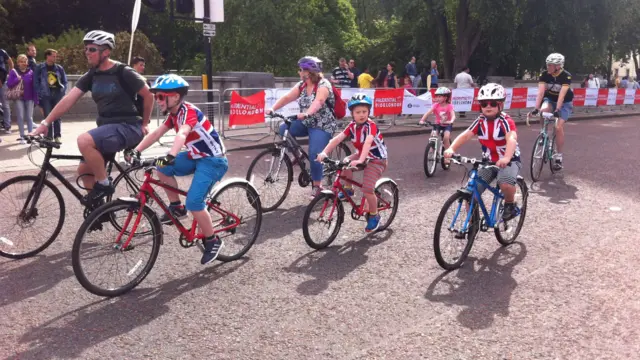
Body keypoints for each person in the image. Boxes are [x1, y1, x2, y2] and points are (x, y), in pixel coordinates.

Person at [30, 30, 153, 205]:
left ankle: (104, 183)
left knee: (84, 141)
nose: (87, 52)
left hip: (128, 126)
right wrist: (45, 123)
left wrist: (145, 123)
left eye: (92, 49)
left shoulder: (122, 71)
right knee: (84, 170)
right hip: (107, 129)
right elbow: (68, 99)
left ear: (106, 52)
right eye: (86, 49)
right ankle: (98, 211)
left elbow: (149, 95)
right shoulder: (92, 75)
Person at [130, 74, 228, 265]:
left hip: (212, 160)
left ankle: (213, 240)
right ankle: (176, 207)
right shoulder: (173, 114)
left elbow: (182, 133)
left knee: (194, 202)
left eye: (160, 97)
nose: (157, 101)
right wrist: (136, 151)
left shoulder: (188, 112)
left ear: (175, 97)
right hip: (194, 155)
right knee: (162, 169)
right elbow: (157, 133)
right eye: (156, 96)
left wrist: (171, 155)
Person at [444, 83, 521, 223]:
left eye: (492, 103)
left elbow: (512, 138)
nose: (488, 107)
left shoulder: (505, 121)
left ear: (500, 105)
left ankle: (510, 205)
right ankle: (472, 224)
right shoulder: (480, 121)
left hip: (509, 161)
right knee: (471, 190)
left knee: (505, 184)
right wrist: (451, 149)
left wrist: (507, 157)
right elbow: (466, 135)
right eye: (484, 104)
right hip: (489, 162)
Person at [267, 56, 338, 199]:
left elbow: (319, 101)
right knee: (283, 129)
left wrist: (307, 113)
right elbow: (287, 97)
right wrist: (272, 109)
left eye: (301, 70)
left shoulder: (324, 85)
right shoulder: (302, 85)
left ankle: (317, 186)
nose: (299, 72)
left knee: (315, 154)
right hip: (306, 122)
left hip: (322, 125)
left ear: (308, 71)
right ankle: (297, 155)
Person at [317, 93, 388, 233]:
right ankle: (348, 188)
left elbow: (368, 142)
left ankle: (374, 215)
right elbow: (336, 140)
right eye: (358, 112)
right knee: (344, 162)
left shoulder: (370, 126)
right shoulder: (351, 126)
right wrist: (324, 152)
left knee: (367, 189)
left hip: (376, 159)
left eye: (364, 112)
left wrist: (360, 160)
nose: (362, 115)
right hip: (362, 155)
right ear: (352, 114)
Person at [529, 53, 573, 170]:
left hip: (564, 103)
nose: (548, 67)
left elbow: (562, 95)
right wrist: (536, 108)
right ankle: (543, 133)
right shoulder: (544, 74)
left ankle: (559, 157)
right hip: (549, 99)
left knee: (558, 127)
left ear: (558, 66)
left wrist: (557, 110)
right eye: (547, 65)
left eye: (550, 65)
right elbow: (541, 93)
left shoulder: (566, 76)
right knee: (543, 111)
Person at [34, 49, 67, 143]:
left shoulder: (59, 68)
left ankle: (57, 136)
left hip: (57, 94)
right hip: (46, 95)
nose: (55, 58)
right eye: (53, 56)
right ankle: (48, 136)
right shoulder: (40, 67)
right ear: (47, 56)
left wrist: (62, 91)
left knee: (57, 115)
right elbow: (36, 82)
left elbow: (65, 81)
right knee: (47, 116)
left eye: (56, 56)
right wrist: (40, 93)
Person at [6, 54, 37, 143]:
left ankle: (30, 136)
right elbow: (9, 84)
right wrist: (17, 79)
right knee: (20, 116)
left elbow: (34, 86)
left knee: (29, 117)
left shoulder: (31, 72)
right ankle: (22, 136)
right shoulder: (13, 71)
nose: (23, 63)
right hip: (19, 97)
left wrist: (36, 98)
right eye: (21, 62)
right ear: (18, 63)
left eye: (25, 61)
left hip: (29, 97)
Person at [419, 87, 455, 152]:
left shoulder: (449, 106)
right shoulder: (435, 105)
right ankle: (431, 150)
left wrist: (451, 121)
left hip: (447, 125)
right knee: (432, 136)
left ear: (445, 98)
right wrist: (422, 120)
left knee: (446, 138)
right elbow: (427, 113)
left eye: (439, 96)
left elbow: (453, 115)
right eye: (437, 97)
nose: (437, 98)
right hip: (437, 124)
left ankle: (448, 153)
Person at [0, 47, 14, 133]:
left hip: (4, 82)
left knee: (5, 104)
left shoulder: (2, 52)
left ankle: (7, 126)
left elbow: (10, 62)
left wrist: (10, 74)